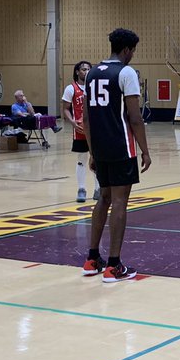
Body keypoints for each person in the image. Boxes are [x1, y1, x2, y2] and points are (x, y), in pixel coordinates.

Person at [81, 28, 152, 282]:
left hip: (100, 147)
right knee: (120, 201)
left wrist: (92, 151)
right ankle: (113, 265)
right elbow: (135, 117)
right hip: (121, 145)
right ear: (126, 49)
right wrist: (145, 150)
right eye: (133, 51)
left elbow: (86, 118)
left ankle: (92, 259)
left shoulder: (91, 73)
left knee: (104, 198)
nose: (132, 55)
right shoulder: (126, 72)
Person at [62, 61, 96, 203]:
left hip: (95, 129)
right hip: (80, 130)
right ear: (77, 72)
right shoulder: (71, 88)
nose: (86, 71)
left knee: (97, 159)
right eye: (83, 69)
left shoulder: (94, 87)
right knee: (82, 159)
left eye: (88, 69)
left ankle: (98, 188)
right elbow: (65, 109)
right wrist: (72, 122)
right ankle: (81, 189)